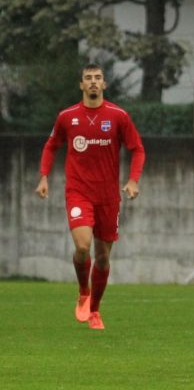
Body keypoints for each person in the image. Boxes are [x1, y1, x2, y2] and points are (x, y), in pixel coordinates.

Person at [35, 63, 145, 330]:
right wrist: (44, 175)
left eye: (98, 78)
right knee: (83, 246)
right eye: (88, 78)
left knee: (104, 256)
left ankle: (94, 309)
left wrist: (132, 180)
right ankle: (83, 290)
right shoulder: (67, 116)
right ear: (81, 85)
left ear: (104, 84)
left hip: (108, 197)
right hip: (78, 192)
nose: (93, 82)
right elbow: (51, 146)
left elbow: (137, 149)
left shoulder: (118, 116)